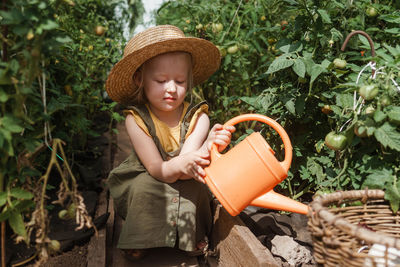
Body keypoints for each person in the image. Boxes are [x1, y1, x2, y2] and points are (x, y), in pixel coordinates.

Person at [105, 25, 235, 260]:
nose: (172, 89)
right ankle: (140, 236)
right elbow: (159, 170)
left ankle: (189, 235)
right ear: (139, 80)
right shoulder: (136, 120)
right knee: (143, 187)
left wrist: (208, 147)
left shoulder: (198, 117)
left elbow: (187, 168)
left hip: (184, 175)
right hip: (152, 173)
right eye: (161, 80)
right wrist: (190, 159)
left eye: (180, 81)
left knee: (195, 188)